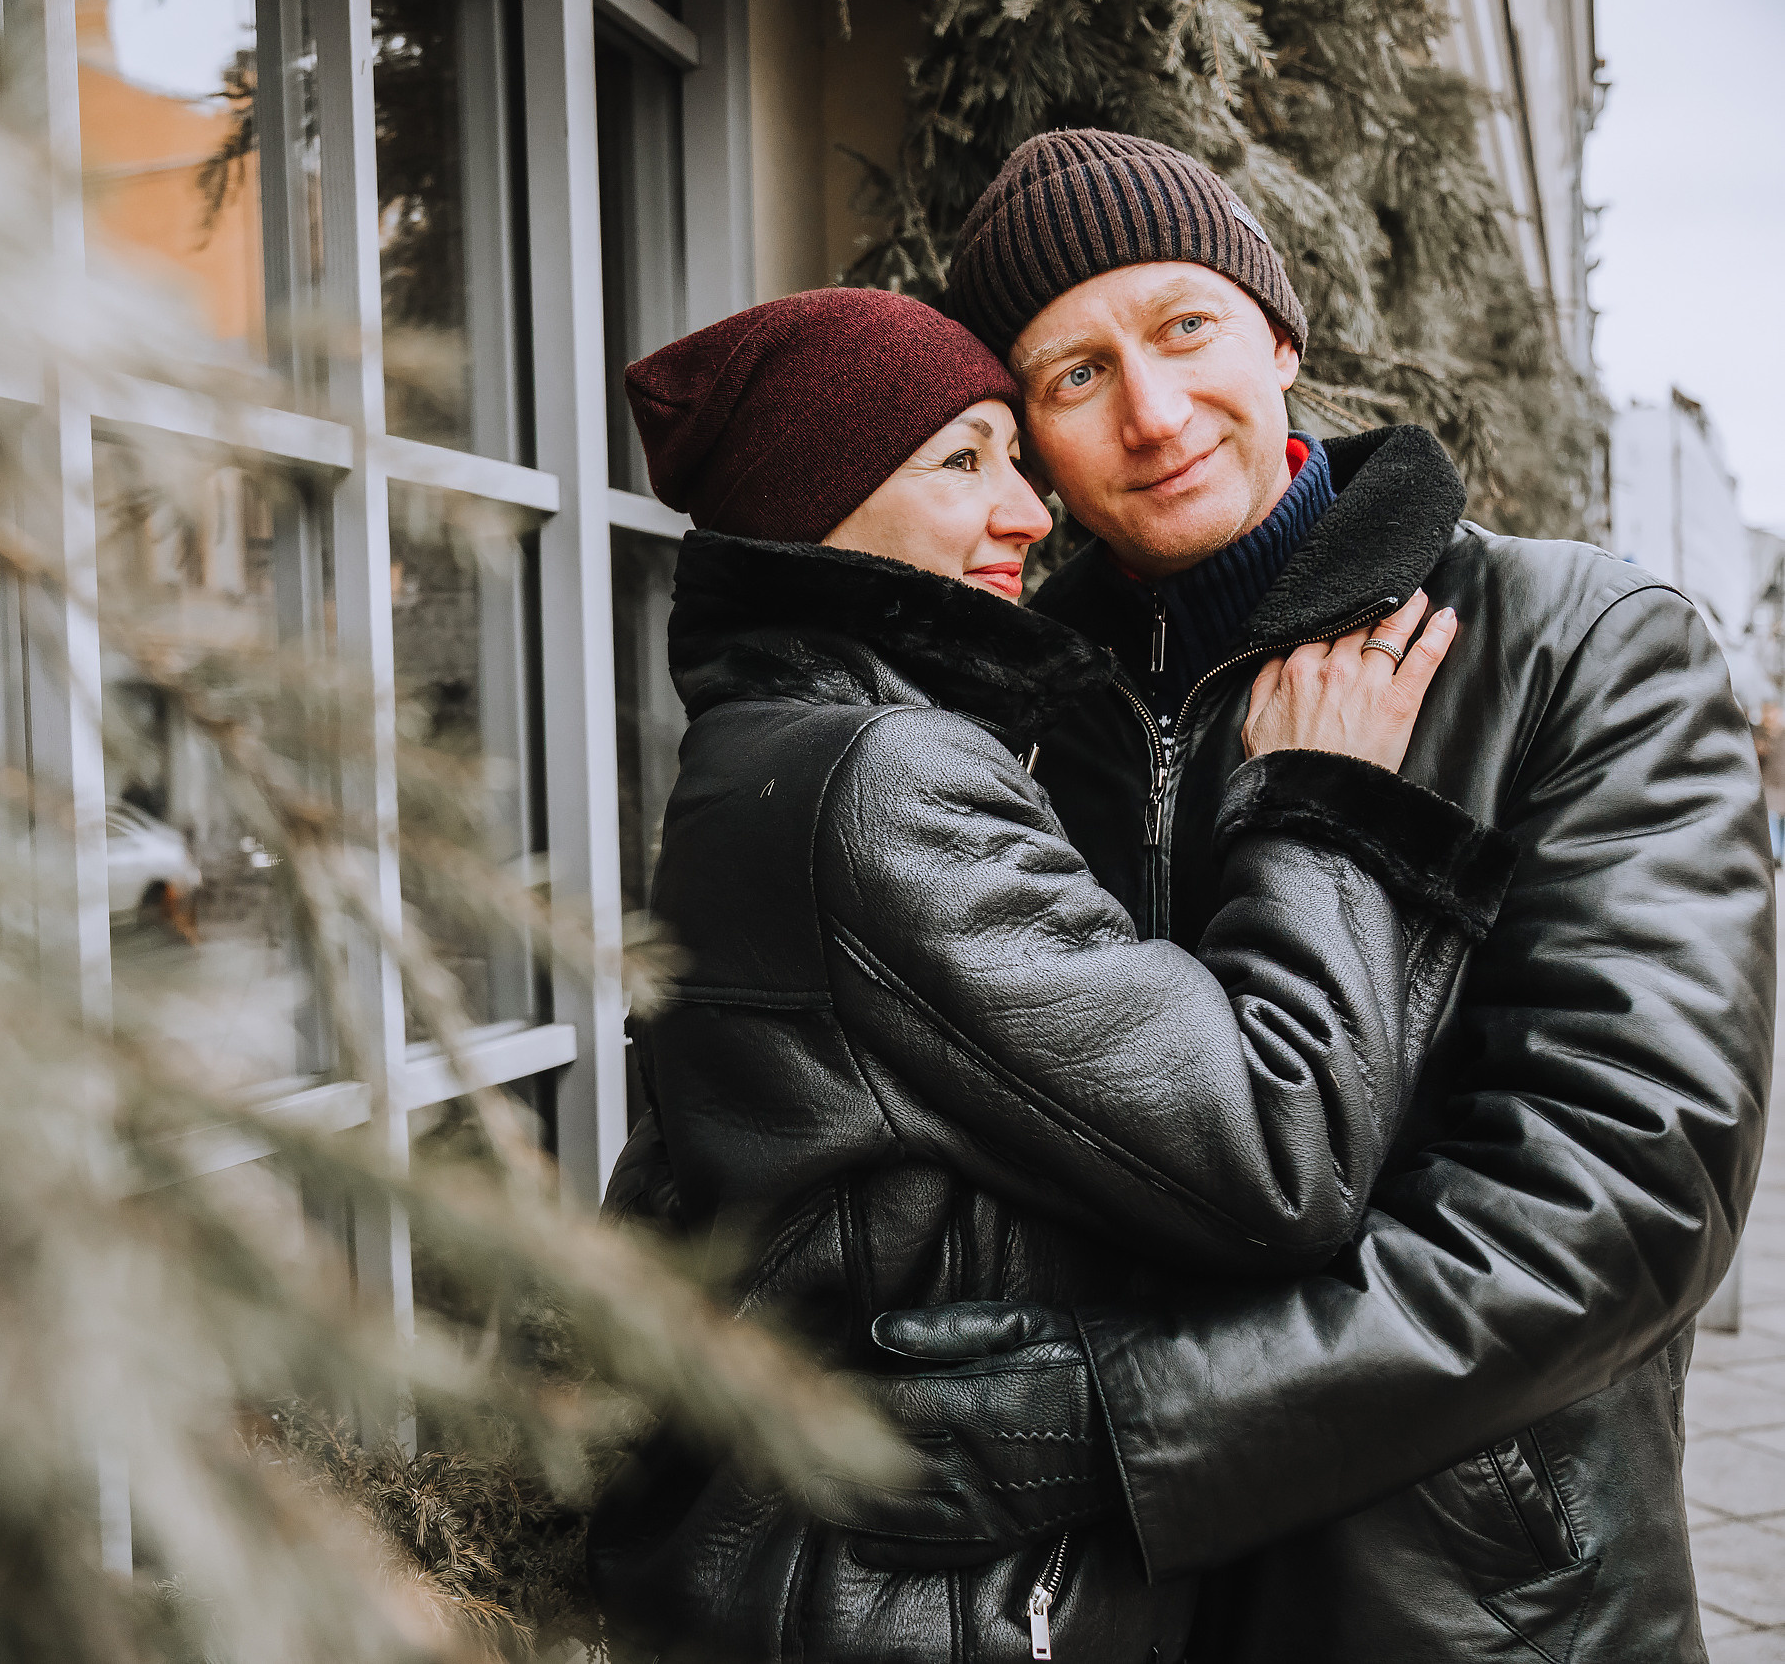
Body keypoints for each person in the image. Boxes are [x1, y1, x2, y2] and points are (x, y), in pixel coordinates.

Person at [777, 130, 1774, 1662]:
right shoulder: (1004, 720)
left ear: (1281, 336)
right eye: (1077, 374)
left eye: (1186, 327)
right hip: (1103, 1615)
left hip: (1480, 1610)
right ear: (1034, 438)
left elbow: (1626, 1197)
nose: (1155, 412)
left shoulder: (1575, 646)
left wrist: (1123, 1422)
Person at [583, 286, 1517, 1664]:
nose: (1028, 512)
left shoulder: (763, 746)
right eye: (963, 461)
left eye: (1016, 457)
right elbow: (1278, 1150)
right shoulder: (887, 777)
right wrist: (1324, 806)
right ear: (814, 505)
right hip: (915, 1600)